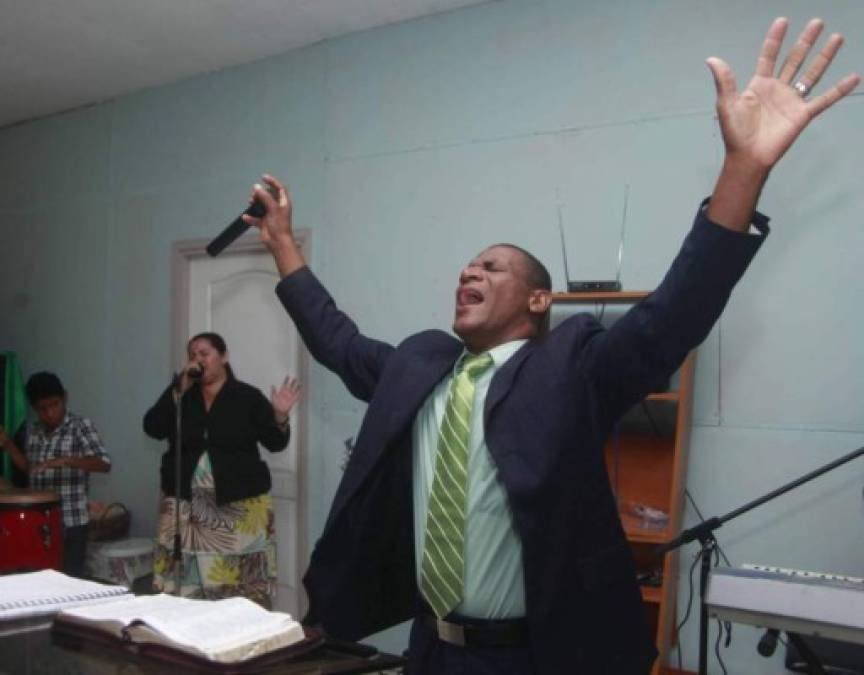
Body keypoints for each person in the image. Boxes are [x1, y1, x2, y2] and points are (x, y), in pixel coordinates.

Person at [243, 17, 859, 674]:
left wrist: (744, 168)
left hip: (532, 657)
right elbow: (335, 338)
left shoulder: (571, 368)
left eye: (493, 266)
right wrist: (284, 246)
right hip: (425, 649)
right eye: (466, 266)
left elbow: (673, 314)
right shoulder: (416, 366)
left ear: (540, 300)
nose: (469, 271)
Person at [143, 332, 300, 607]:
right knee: (187, 581)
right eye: (192, 355)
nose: (197, 360)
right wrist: (178, 387)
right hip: (186, 507)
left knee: (236, 583)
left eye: (204, 353)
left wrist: (280, 416)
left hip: (237, 505)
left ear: (223, 357)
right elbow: (152, 427)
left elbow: (276, 442)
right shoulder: (183, 397)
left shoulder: (247, 397)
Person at [0, 372, 111, 577]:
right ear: (34, 408)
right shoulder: (33, 431)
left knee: (69, 582)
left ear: (65, 398)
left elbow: (104, 463)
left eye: (55, 405)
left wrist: (66, 460)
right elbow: (29, 468)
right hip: (38, 522)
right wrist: (8, 444)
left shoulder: (80, 426)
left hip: (72, 521)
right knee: (41, 579)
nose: (50, 413)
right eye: (43, 409)